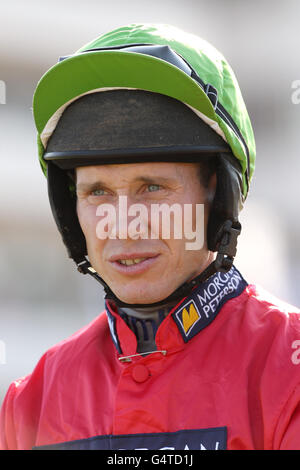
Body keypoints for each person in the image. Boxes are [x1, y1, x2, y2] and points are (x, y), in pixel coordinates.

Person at [1, 23, 300, 451]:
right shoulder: (33, 398)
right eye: (97, 192)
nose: (124, 224)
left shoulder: (289, 371)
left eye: (152, 187)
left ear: (219, 199)